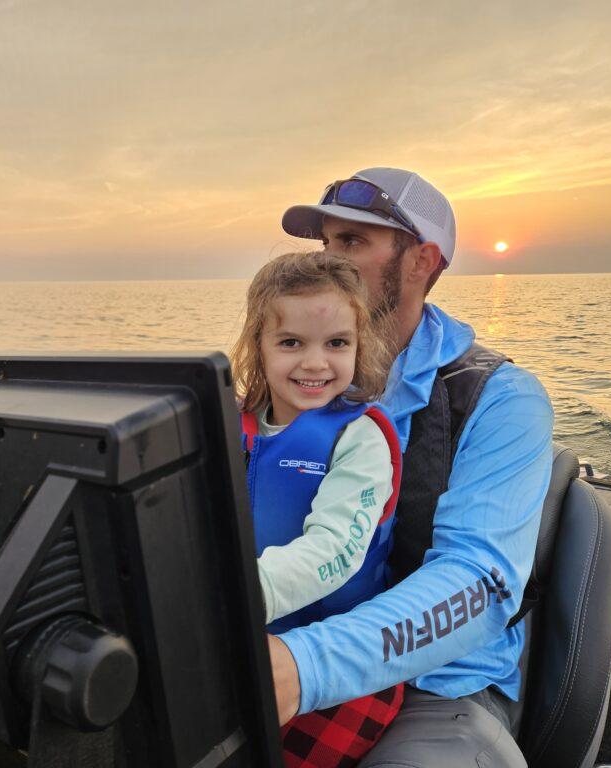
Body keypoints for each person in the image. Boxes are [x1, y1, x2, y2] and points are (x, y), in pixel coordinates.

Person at [266, 168, 554, 768]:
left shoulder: (501, 399)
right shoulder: (293, 380)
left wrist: (305, 665)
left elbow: (479, 581)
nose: (330, 263)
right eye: (325, 243)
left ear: (422, 261)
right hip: (278, 648)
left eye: (352, 243)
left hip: (439, 688)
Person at [230, 251, 406, 766]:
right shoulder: (224, 426)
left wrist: (232, 599)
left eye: (336, 344)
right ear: (257, 347)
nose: (314, 363)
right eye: (290, 343)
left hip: (342, 665)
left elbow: (336, 549)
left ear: (358, 347)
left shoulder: (360, 437)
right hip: (244, 643)